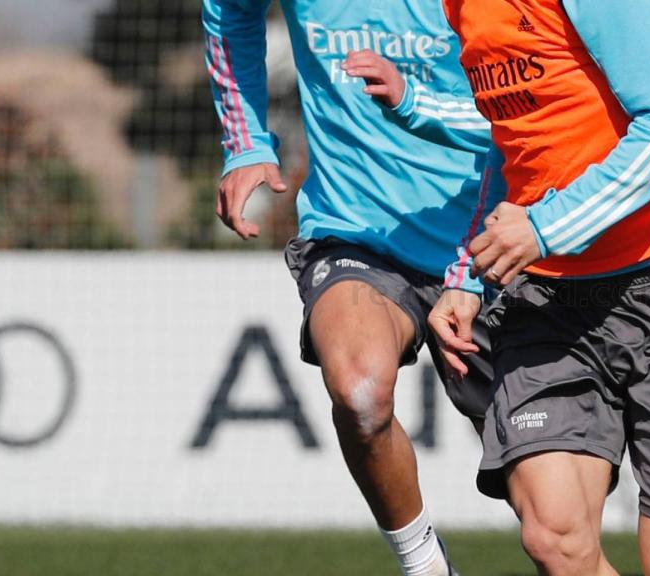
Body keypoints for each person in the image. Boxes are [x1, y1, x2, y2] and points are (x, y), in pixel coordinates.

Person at [426, 1, 650, 574]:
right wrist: (469, 275)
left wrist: (546, 229)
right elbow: (515, 143)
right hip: (549, 297)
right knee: (554, 538)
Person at [202, 2, 498, 575]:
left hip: (493, 235)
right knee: (361, 392)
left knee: (557, 533)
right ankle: (426, 568)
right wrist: (246, 141)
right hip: (358, 233)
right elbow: (228, 11)